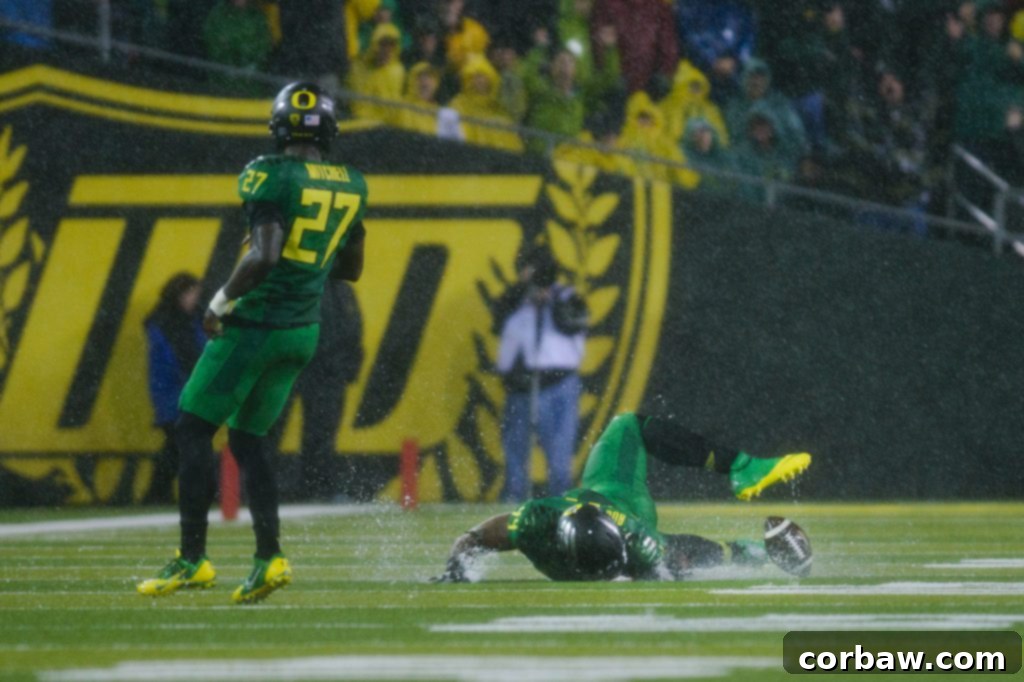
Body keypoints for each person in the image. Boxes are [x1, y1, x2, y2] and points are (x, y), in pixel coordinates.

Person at [137, 82, 369, 604]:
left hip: (258, 324)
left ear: (279, 123)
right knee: (247, 440)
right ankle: (269, 557)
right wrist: (312, 259)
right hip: (302, 330)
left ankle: (192, 559)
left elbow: (263, 254)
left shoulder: (269, 173)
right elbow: (351, 268)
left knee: (191, 431)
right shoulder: (353, 183)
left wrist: (218, 302)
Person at [433, 412, 813, 582]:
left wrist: (464, 549)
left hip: (620, 495)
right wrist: (461, 555)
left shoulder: (631, 535)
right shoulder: (537, 522)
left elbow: (671, 556)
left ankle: (742, 468)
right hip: (600, 504)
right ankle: (760, 550)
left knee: (627, 424)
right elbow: (480, 536)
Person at [494, 246, 588, 503]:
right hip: (523, 385)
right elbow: (499, 320)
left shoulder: (567, 297)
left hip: (560, 383)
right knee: (515, 452)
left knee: (559, 456)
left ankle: (561, 506)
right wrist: (523, 294)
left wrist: (551, 299)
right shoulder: (517, 301)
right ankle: (513, 506)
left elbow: (573, 324)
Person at [276, 280, 364, 502]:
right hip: (294, 367)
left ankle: (317, 488)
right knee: (272, 429)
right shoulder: (300, 285)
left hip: (324, 371)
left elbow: (353, 330)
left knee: (322, 434)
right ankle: (266, 487)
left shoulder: (339, 289)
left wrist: (347, 366)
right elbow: (352, 329)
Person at [142, 273, 206, 505]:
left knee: (177, 446)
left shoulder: (183, 321)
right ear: (178, 294)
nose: (194, 299)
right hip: (175, 392)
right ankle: (160, 494)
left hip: (176, 392)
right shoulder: (169, 324)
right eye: (190, 294)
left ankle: (158, 494)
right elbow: (183, 359)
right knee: (181, 445)